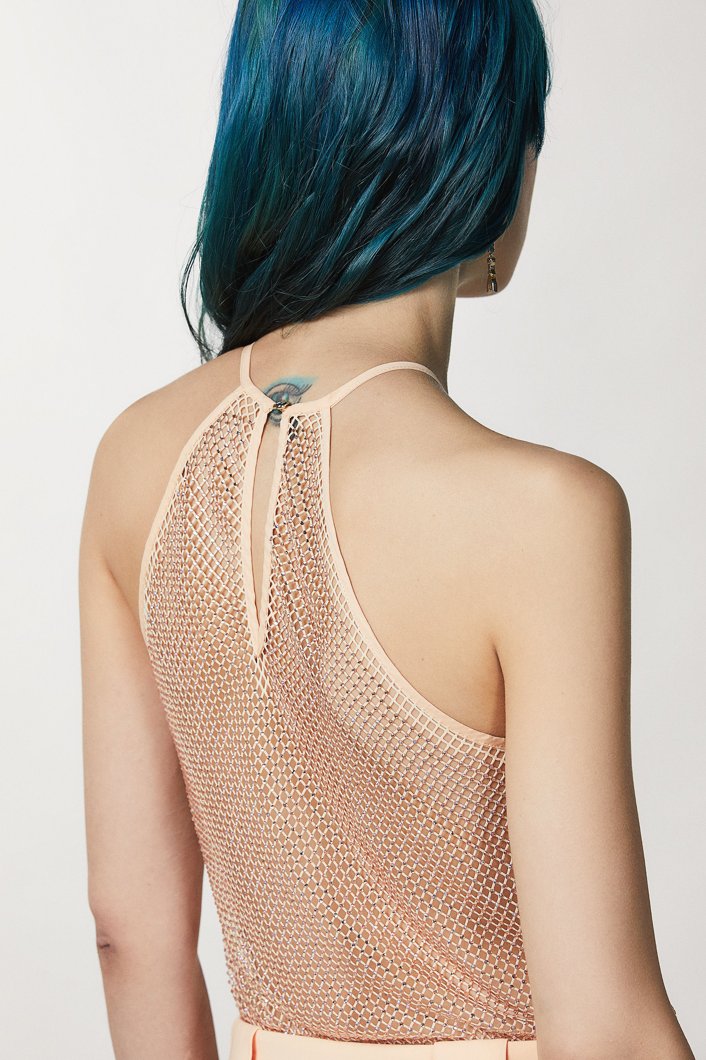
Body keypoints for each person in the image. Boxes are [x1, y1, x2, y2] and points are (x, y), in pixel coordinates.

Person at [79, 2, 695, 1058]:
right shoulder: (544, 515)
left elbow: (128, 932)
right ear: (486, 153)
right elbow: (604, 1026)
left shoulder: (132, 460)